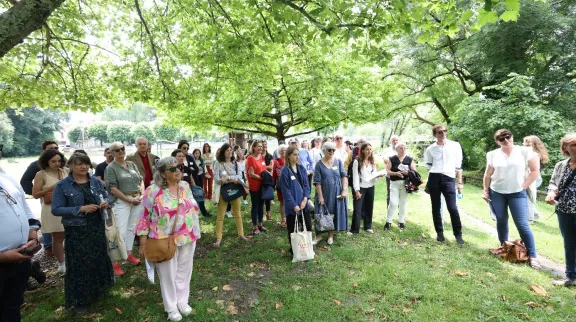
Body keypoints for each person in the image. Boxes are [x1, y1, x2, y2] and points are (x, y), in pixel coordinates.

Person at [136, 157, 201, 321]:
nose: (178, 170)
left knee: (184, 272)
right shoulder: (153, 191)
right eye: (172, 169)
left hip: (188, 236)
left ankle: (182, 301)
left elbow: (191, 207)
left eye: (179, 167)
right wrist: (142, 242)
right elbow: (143, 216)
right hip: (163, 239)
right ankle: (171, 308)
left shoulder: (185, 186)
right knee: (167, 275)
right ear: (163, 174)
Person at [51, 153, 114, 313]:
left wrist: (106, 203)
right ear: (70, 166)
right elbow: (56, 209)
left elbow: (106, 196)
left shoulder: (95, 181)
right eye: (79, 164)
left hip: (96, 226)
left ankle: (98, 290)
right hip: (77, 230)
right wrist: (80, 209)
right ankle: (80, 299)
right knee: (80, 263)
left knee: (98, 257)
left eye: (86, 164)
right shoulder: (62, 185)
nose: (83, 167)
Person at [482, 129, 541, 269]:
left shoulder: (524, 151)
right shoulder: (493, 154)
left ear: (512, 136)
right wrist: (485, 190)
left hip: (517, 192)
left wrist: (523, 186)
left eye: (508, 137)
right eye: (502, 139)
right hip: (497, 192)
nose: (506, 140)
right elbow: (487, 175)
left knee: (522, 224)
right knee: (501, 220)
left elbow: (535, 171)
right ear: (497, 141)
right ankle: (505, 247)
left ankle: (533, 256)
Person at [0, 171, 41, 321]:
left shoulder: (7, 177)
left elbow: (24, 207)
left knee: (12, 307)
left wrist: (33, 233)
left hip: (20, 259)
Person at [104, 142, 144, 275]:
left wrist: (142, 195)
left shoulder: (131, 164)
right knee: (118, 232)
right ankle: (114, 262)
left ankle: (128, 254)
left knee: (132, 228)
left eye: (122, 149)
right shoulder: (111, 168)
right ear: (112, 153)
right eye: (117, 150)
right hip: (122, 202)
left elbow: (140, 180)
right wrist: (129, 200)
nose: (121, 151)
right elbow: (112, 189)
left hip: (137, 199)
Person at [424, 125, 465, 244]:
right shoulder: (430, 148)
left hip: (449, 178)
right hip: (434, 177)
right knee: (436, 207)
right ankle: (439, 233)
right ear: (435, 135)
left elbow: (458, 166)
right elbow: (429, 165)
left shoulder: (455, 145)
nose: (442, 134)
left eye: (444, 131)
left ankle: (458, 235)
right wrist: (437, 172)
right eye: (439, 132)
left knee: (452, 207)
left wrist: (460, 182)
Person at [32, 149, 69, 274]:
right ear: (46, 161)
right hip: (52, 209)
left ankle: (71, 261)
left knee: (70, 235)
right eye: (53, 161)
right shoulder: (41, 174)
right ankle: (62, 264)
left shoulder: (66, 171)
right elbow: (35, 194)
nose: (57, 163)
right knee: (57, 237)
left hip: (68, 207)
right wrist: (51, 187)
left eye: (59, 161)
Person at [546, 133, 576, 286]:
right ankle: (571, 277)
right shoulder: (561, 165)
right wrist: (551, 192)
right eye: (574, 145)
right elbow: (553, 183)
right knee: (569, 243)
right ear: (566, 148)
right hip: (564, 211)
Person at [20, 140, 59, 254]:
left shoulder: (62, 162)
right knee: (47, 220)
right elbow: (25, 181)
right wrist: (38, 193)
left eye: (56, 148)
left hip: (64, 196)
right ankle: (48, 245)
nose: (54, 150)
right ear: (44, 151)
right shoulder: (36, 164)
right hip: (47, 196)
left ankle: (59, 243)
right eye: (50, 148)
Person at [212, 143, 250, 247]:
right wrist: (227, 179)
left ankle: (241, 234)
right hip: (223, 191)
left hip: (235, 190)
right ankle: (218, 238)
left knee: (237, 213)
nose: (230, 152)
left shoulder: (235, 163)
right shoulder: (218, 163)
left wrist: (228, 178)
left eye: (231, 150)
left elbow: (238, 176)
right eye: (227, 150)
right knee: (221, 215)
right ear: (223, 152)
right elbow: (216, 179)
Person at [314, 141, 349, 244]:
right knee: (320, 213)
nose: (332, 152)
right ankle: (318, 236)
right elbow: (317, 182)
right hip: (324, 192)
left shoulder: (338, 162)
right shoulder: (319, 164)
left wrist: (344, 189)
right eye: (329, 150)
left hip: (336, 192)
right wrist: (320, 197)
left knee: (333, 212)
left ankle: (330, 235)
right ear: (324, 150)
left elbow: (344, 176)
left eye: (333, 150)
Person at [279, 145, 312, 254]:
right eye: (294, 154)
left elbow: (307, 185)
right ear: (288, 156)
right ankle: (295, 250)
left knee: (308, 226)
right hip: (292, 207)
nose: (297, 157)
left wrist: (305, 199)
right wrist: (294, 205)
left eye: (298, 154)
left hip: (303, 204)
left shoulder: (301, 168)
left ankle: (307, 248)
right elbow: (286, 191)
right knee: (292, 230)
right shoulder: (285, 171)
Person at [352, 142, 385, 234]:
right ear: (362, 150)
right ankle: (355, 229)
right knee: (358, 208)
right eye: (367, 149)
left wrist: (378, 175)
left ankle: (368, 226)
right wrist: (357, 190)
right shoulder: (357, 161)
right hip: (361, 187)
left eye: (370, 149)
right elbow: (355, 177)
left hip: (370, 186)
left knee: (369, 207)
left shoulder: (372, 161)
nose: (369, 151)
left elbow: (374, 174)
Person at [171, 149, 212, 217]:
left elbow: (191, 179)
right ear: (173, 157)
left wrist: (195, 188)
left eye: (182, 156)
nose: (182, 158)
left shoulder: (186, 168)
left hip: (188, 192)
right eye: (179, 156)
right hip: (176, 194)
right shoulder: (171, 170)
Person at [385, 142, 415, 231]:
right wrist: (395, 173)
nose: (403, 150)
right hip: (394, 182)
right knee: (393, 202)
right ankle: (388, 221)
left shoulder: (409, 159)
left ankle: (401, 221)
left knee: (403, 203)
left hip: (405, 183)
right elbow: (387, 170)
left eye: (405, 148)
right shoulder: (392, 158)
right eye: (401, 148)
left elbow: (414, 171)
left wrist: (408, 173)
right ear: (396, 149)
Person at [523, 135, 550, 222]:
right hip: (532, 177)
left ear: (534, 144)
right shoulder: (530, 153)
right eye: (525, 143)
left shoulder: (535, 155)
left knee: (528, 198)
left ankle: (529, 219)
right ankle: (536, 214)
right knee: (527, 197)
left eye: (527, 143)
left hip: (534, 178)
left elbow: (534, 170)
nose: (525, 144)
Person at [246, 140, 268, 234]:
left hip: (262, 186)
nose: (260, 148)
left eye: (261, 146)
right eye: (258, 146)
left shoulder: (262, 157)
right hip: (254, 185)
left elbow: (264, 169)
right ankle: (255, 226)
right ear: (253, 147)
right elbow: (251, 174)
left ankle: (260, 224)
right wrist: (262, 179)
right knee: (255, 205)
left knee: (261, 205)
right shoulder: (250, 158)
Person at [383, 135, 400, 207]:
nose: (395, 141)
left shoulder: (402, 149)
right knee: (390, 193)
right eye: (393, 140)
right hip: (390, 175)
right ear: (391, 141)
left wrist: (392, 162)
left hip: (401, 176)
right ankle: (389, 213)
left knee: (401, 194)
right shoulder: (387, 151)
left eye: (396, 140)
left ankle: (401, 213)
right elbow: (386, 160)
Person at [273, 145, 288, 227]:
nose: (283, 151)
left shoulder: (290, 160)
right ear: (279, 151)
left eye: (285, 150)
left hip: (289, 184)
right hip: (280, 185)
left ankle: (289, 218)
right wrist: (274, 184)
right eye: (282, 150)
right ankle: (283, 219)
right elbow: (274, 174)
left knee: (289, 201)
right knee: (282, 202)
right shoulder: (276, 161)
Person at [262, 140, 274, 220]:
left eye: (265, 144)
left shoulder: (269, 156)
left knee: (268, 196)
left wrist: (261, 167)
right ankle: (261, 214)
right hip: (259, 178)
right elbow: (268, 167)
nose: (264, 146)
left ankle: (268, 213)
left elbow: (271, 167)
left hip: (267, 178)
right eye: (263, 145)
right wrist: (267, 166)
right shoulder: (258, 156)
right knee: (261, 196)